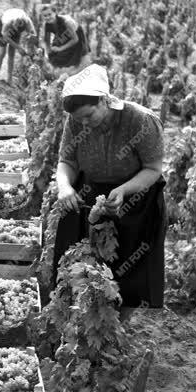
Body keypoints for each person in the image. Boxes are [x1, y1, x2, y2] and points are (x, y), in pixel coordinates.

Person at [52, 64, 167, 309]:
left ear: (105, 101)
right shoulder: (76, 123)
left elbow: (153, 169)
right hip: (90, 194)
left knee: (129, 265)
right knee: (80, 257)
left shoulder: (141, 121)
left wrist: (125, 190)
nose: (83, 123)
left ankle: (119, 318)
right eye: (78, 118)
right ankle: (83, 310)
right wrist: (64, 186)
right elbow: (67, 161)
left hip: (136, 197)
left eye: (88, 116)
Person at [40, 4, 90, 72]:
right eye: (45, 16)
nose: (48, 17)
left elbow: (75, 39)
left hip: (76, 35)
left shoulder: (65, 21)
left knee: (76, 60)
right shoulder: (47, 24)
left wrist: (60, 48)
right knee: (54, 58)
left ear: (55, 13)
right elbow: (47, 42)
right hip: (63, 36)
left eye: (49, 14)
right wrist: (48, 55)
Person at [0, 8, 35, 85]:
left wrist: (28, 49)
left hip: (16, 27)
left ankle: (9, 80)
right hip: (4, 31)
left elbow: (33, 35)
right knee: (2, 52)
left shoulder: (27, 22)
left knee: (11, 54)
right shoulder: (7, 22)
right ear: (13, 23)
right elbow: (5, 37)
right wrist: (18, 47)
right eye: (14, 27)